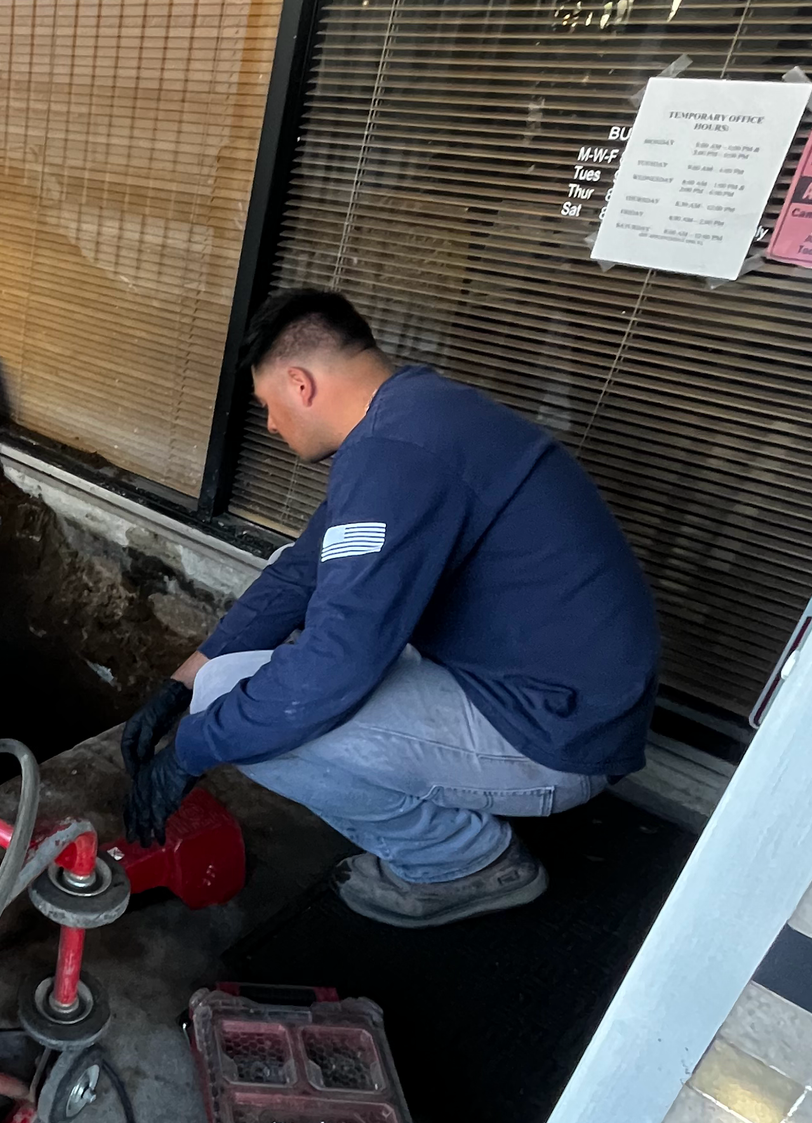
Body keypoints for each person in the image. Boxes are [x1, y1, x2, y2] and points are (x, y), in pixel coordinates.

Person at [121, 289, 660, 926]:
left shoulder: (396, 454)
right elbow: (300, 573)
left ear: (300, 383)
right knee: (222, 688)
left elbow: (332, 671)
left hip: (553, 735)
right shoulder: (416, 416)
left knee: (256, 721)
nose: (269, 425)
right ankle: (453, 826)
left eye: (267, 405)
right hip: (545, 692)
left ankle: (463, 862)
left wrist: (191, 749)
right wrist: (180, 684)